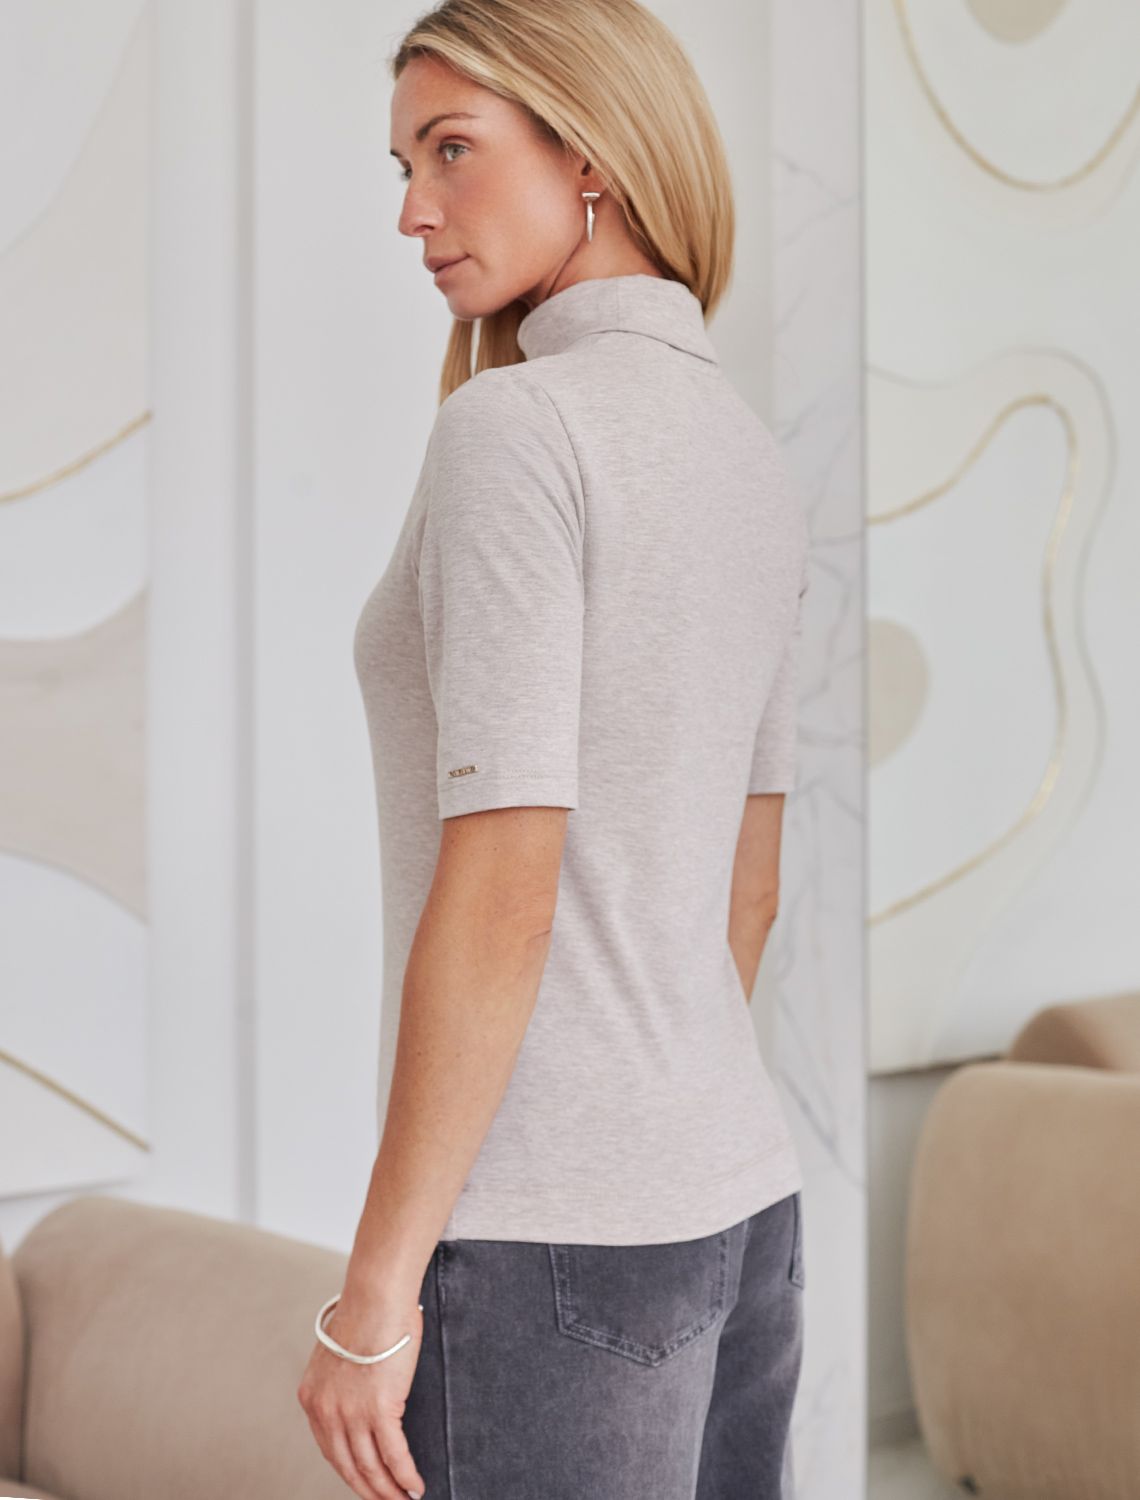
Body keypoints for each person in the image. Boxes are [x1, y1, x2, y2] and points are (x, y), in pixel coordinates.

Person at [297, 2, 810, 1496]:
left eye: (451, 149)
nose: (413, 210)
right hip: (740, 1206)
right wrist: (657, 1125)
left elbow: (507, 886)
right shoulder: (750, 454)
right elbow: (750, 884)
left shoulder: (517, 430)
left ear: (590, 155)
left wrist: (372, 1294)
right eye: (404, 163)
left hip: (547, 1238)